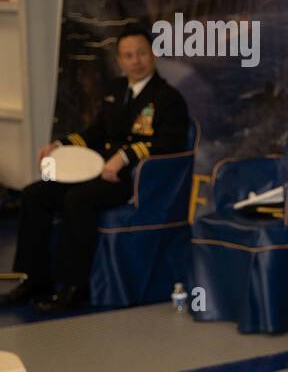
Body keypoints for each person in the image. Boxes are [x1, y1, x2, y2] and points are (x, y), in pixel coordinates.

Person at [3, 22, 190, 312]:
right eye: (128, 56)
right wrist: (61, 144)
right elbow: (96, 133)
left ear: (153, 55)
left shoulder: (168, 99)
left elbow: (170, 143)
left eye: (141, 53)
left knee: (77, 200)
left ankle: (74, 285)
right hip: (97, 172)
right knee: (35, 194)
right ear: (119, 61)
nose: (135, 61)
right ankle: (34, 279)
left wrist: (126, 156)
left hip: (131, 180)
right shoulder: (115, 91)